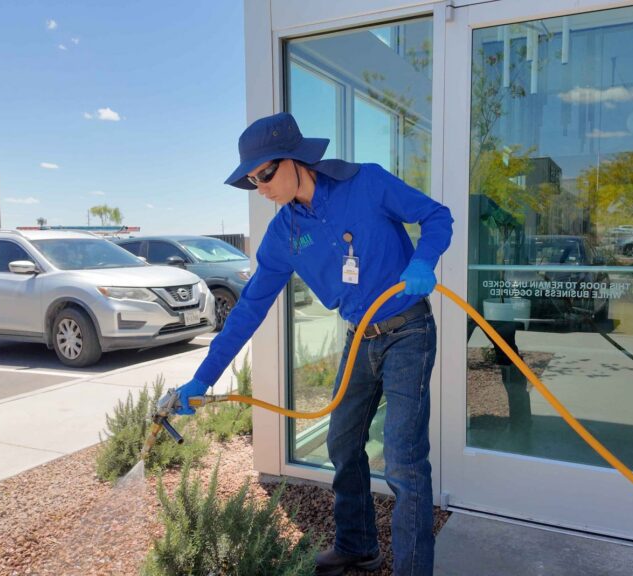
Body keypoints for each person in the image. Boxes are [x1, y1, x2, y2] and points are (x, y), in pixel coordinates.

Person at [171, 112, 453, 576]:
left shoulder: (367, 183)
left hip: (408, 330)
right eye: (251, 180)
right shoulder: (284, 234)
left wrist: (424, 259)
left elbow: (436, 215)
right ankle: (359, 546)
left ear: (296, 159)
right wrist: (202, 377)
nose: (261, 187)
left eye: (266, 173)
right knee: (342, 441)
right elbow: (249, 309)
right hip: (359, 335)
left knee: (402, 461)